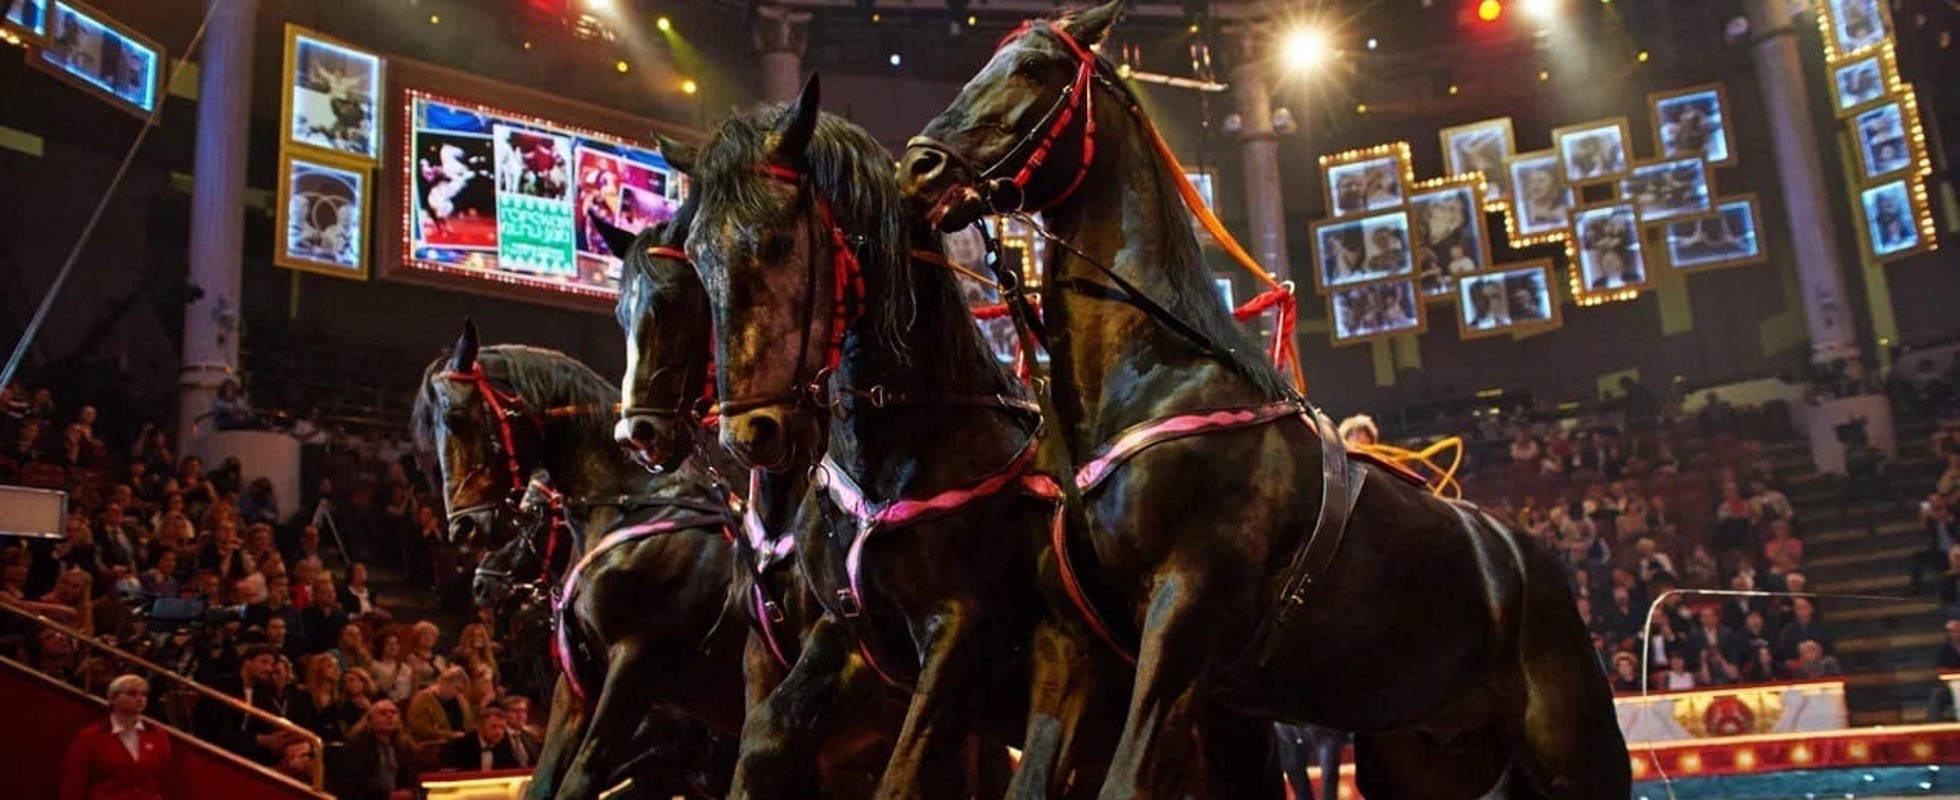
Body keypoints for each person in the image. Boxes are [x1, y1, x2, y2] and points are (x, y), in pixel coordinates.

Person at [61, 674, 176, 800]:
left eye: (143, 694)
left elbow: (165, 781)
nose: (140, 698)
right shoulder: (90, 736)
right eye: (132, 693)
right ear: (113, 698)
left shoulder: (157, 735)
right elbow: (74, 782)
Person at [331, 699, 419, 800]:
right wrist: (388, 796)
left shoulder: (404, 747)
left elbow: (410, 781)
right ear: (370, 720)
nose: (389, 716)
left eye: (394, 712)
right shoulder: (357, 747)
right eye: (383, 713)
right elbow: (353, 788)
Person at [406, 666, 476, 747]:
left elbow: (469, 724)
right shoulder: (422, 700)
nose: (458, 694)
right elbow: (422, 730)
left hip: (460, 743)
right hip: (436, 747)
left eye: (461, 691)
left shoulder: (459, 699)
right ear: (444, 682)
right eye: (457, 688)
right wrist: (451, 735)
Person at [442, 705, 518, 771]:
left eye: (502, 727)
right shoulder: (462, 745)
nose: (499, 732)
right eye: (493, 726)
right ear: (480, 727)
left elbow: (513, 769)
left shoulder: (504, 744)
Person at [499, 696, 542, 769]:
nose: (520, 716)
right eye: (515, 711)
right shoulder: (498, 736)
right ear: (505, 713)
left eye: (523, 711)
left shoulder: (530, 737)